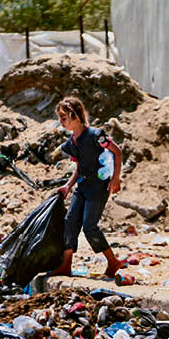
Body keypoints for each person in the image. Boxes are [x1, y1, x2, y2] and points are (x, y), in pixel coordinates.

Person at [50, 96, 124, 278]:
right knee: (70, 223)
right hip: (82, 188)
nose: (61, 122)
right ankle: (66, 265)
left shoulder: (96, 135)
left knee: (90, 226)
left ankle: (113, 262)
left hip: (98, 188)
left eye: (64, 118)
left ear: (75, 116)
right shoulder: (71, 144)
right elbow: (79, 167)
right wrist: (68, 186)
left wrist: (116, 178)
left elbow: (117, 152)